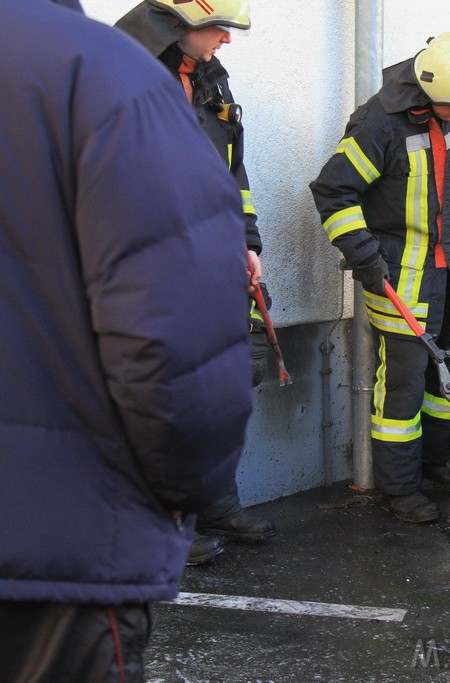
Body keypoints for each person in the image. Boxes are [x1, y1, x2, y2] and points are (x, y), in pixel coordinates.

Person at [0, 0, 253, 678]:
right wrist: (181, 492)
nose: (225, 41)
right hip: (55, 546)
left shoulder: (166, 81)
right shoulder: (100, 73)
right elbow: (172, 332)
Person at [309, 33, 450, 523]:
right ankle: (399, 489)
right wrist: (365, 256)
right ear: (430, 94)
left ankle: (434, 466)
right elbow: (334, 191)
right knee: (403, 390)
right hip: (402, 277)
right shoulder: (380, 125)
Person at [116, 0, 277, 565]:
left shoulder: (211, 81)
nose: (225, 42)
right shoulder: (121, 78)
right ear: (177, 24)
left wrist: (246, 241)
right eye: (218, 29)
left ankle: (214, 504)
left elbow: (234, 173)